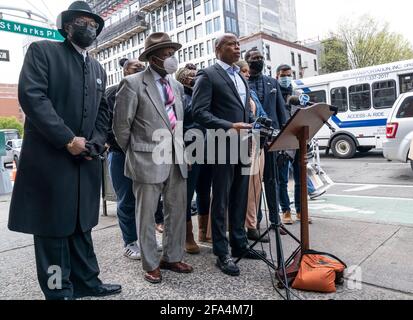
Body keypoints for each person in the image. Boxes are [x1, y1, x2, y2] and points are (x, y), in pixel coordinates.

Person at [8, 1, 121, 300]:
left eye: (94, 24)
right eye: (82, 22)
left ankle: (88, 282)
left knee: (81, 225)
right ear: (67, 25)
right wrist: (68, 139)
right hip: (50, 159)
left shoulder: (97, 67)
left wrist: (96, 141)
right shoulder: (43, 51)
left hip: (85, 161)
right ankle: (59, 291)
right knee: (53, 230)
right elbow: (32, 97)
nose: (90, 28)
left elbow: (103, 111)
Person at [113, 32, 193, 284]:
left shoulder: (177, 86)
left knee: (177, 211)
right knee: (146, 214)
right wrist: (135, 151)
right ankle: (150, 263)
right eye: (166, 54)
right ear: (153, 58)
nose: (171, 58)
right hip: (146, 159)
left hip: (177, 159)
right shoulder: (133, 83)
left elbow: (177, 124)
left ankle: (171, 256)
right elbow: (121, 127)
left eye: (172, 53)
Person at [193, 34, 267, 277]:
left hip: (244, 144)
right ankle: (221, 252)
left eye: (238, 45)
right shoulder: (208, 75)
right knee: (222, 199)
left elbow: (244, 110)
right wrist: (228, 126)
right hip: (221, 144)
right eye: (231, 45)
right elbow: (199, 112)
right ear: (218, 49)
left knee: (240, 196)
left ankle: (240, 244)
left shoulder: (240, 76)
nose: (237, 48)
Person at [107, 58, 164, 260]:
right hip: (121, 153)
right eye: (135, 67)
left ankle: (146, 239)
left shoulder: (151, 90)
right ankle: (130, 242)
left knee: (149, 200)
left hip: (147, 153)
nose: (139, 70)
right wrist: (122, 145)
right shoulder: (113, 92)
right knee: (127, 200)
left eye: (142, 67)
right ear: (124, 71)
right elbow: (108, 125)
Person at [245, 49, 288, 229]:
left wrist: (283, 138)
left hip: (271, 140)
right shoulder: (243, 82)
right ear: (247, 61)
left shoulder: (272, 82)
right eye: (255, 58)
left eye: (261, 58)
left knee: (272, 181)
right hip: (251, 142)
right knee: (254, 185)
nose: (259, 60)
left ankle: (275, 222)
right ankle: (256, 222)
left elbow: (281, 111)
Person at [236, 60, 269, 243]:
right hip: (239, 142)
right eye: (243, 71)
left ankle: (252, 225)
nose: (247, 74)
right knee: (242, 188)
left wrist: (264, 124)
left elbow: (262, 115)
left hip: (257, 142)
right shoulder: (233, 94)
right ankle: (237, 227)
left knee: (256, 187)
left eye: (248, 71)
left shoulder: (253, 93)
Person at [276, 64, 314, 224]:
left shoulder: (298, 94)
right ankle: (285, 211)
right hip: (283, 142)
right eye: (284, 75)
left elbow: (306, 115)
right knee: (282, 180)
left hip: (299, 141)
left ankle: (300, 211)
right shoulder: (274, 93)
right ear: (277, 76)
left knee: (301, 178)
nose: (287, 78)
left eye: (289, 75)